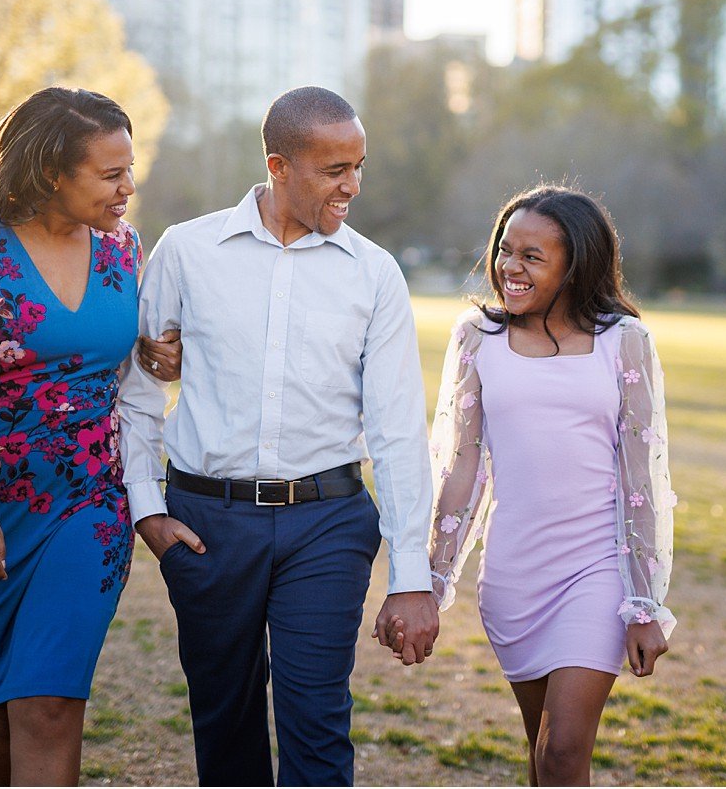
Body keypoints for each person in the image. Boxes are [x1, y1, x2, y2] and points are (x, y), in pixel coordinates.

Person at [116, 86, 437, 787]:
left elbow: (397, 429)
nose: (351, 185)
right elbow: (139, 386)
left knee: (317, 722)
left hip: (327, 523)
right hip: (206, 522)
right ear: (279, 165)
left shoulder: (373, 273)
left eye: (359, 166)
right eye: (334, 169)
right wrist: (148, 508)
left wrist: (412, 576)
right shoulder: (188, 251)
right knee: (223, 722)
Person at [0, 87, 182, 786]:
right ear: (53, 170)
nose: (128, 187)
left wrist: (160, 355)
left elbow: (134, 352)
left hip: (89, 503)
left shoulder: (124, 247)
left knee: (51, 703)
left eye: (130, 169)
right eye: (110, 172)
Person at [419, 185, 675, 787]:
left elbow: (642, 478)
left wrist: (644, 603)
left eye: (533, 256)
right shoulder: (478, 338)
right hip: (514, 574)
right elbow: (461, 469)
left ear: (576, 263)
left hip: (597, 574)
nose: (510, 266)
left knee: (564, 751)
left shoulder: (624, 342)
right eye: (507, 249)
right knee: (540, 752)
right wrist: (432, 579)